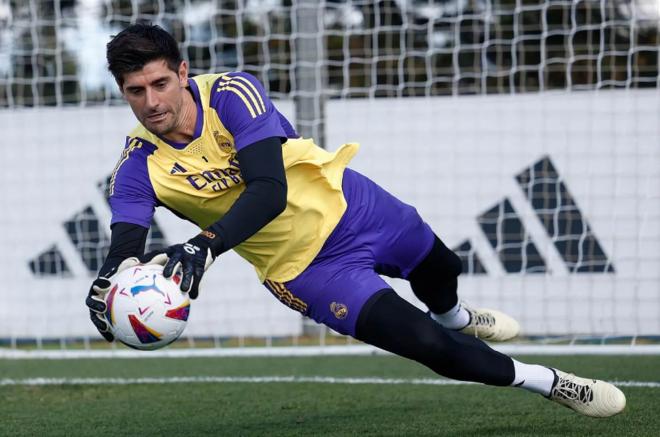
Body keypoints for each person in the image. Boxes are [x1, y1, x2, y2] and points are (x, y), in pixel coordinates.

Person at [86, 23, 625, 418]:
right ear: (122, 91)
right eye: (136, 91)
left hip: (351, 207)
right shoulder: (136, 165)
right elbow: (126, 244)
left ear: (182, 72)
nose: (152, 101)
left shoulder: (231, 93)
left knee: (442, 266)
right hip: (306, 270)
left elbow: (270, 191)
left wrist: (202, 246)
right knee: (427, 346)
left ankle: (457, 313)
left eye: (160, 83)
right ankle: (551, 382)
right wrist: (109, 285)